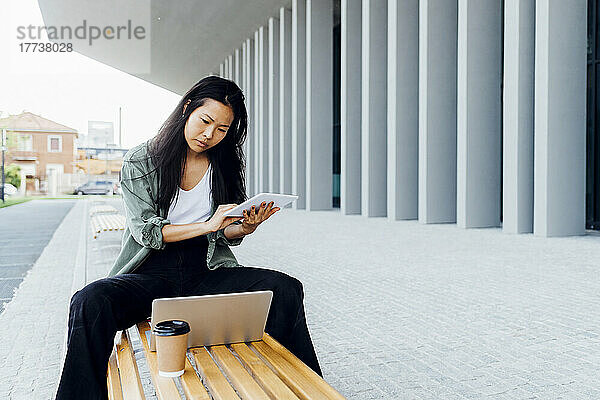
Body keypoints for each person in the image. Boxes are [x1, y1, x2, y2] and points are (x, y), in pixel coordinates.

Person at [55, 76, 322, 399]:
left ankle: (306, 390)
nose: (210, 135)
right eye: (205, 121)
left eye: (222, 129)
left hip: (205, 272)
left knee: (286, 289)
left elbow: (226, 232)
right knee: (88, 300)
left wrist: (244, 226)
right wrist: (209, 224)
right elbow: (147, 232)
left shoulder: (224, 163)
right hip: (150, 273)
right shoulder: (143, 159)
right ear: (187, 109)